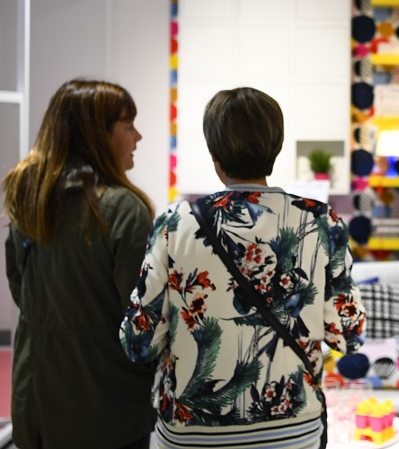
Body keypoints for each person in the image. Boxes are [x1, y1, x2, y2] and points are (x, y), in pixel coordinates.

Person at [120, 86, 366, 449]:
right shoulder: (320, 221)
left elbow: (138, 342)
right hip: (293, 431)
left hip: (191, 435)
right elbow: (349, 333)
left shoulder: (174, 224)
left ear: (214, 152)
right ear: (276, 146)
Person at [2, 78, 157, 449]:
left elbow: (20, 292)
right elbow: (140, 323)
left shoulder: (28, 201)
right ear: (98, 136)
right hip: (107, 412)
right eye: (128, 125)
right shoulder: (123, 211)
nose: (138, 137)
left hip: (36, 405)